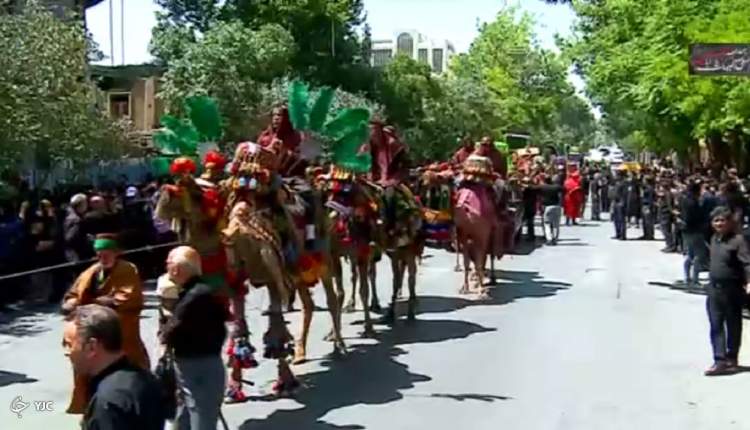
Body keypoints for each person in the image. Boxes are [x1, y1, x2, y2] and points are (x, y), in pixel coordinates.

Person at [62, 233, 149, 414]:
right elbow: (75, 293)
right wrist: (71, 302)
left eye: (107, 253)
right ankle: (90, 406)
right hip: (92, 329)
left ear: (116, 253)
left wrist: (100, 303)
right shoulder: (92, 271)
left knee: (127, 369)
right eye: (99, 253)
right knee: (89, 369)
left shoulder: (127, 269)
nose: (103, 257)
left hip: (118, 329)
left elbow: (128, 297)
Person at [63, 304, 164, 429]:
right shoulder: (145, 378)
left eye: (69, 344)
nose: (67, 352)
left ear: (92, 347)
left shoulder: (107, 402)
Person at [160, 246, 228, 430]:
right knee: (187, 412)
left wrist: (166, 326)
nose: (166, 269)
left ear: (177, 269)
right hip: (201, 361)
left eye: (168, 264)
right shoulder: (201, 291)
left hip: (197, 364)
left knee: (201, 415)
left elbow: (170, 331)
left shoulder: (195, 295)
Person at [703, 206, 750, 376]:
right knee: (716, 325)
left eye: (722, 220)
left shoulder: (738, 240)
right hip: (714, 289)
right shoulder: (714, 239)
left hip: (732, 289)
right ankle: (719, 360)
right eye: (716, 221)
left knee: (733, 325)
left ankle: (731, 359)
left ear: (729, 222)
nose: (719, 223)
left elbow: (747, 263)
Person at [681, 181, 709, 286]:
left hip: (686, 230)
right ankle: (695, 279)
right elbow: (695, 216)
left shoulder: (684, 200)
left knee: (689, 254)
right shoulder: (693, 202)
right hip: (695, 230)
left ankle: (687, 277)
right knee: (698, 255)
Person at [64, 193, 91, 263]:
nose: (87, 205)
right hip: (77, 256)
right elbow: (70, 238)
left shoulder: (70, 216)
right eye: (85, 203)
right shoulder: (76, 220)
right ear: (80, 205)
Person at [537, 176, 563, 245]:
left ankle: (549, 239)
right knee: (556, 225)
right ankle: (555, 239)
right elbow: (564, 190)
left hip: (547, 207)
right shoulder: (557, 187)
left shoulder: (542, 187)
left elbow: (531, 188)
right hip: (557, 206)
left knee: (547, 224)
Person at [611, 169, 628, 240]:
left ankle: (622, 235)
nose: (615, 176)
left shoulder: (624, 183)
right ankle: (617, 233)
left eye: (617, 175)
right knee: (616, 219)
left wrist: (622, 202)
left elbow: (625, 194)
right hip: (615, 201)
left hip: (620, 202)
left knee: (621, 219)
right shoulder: (616, 183)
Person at [640, 176, 656, 240]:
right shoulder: (645, 188)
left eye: (644, 180)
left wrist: (649, 207)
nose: (643, 181)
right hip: (644, 205)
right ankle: (645, 234)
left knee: (648, 221)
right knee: (644, 221)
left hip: (647, 206)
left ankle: (650, 235)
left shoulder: (650, 188)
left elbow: (651, 199)